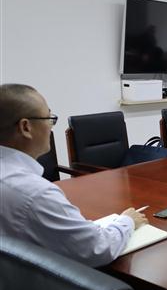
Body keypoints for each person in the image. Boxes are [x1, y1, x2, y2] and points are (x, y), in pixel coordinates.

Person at [0, 84, 147, 267]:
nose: (51, 128)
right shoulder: (35, 193)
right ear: (26, 127)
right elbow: (97, 248)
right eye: (49, 118)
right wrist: (127, 221)